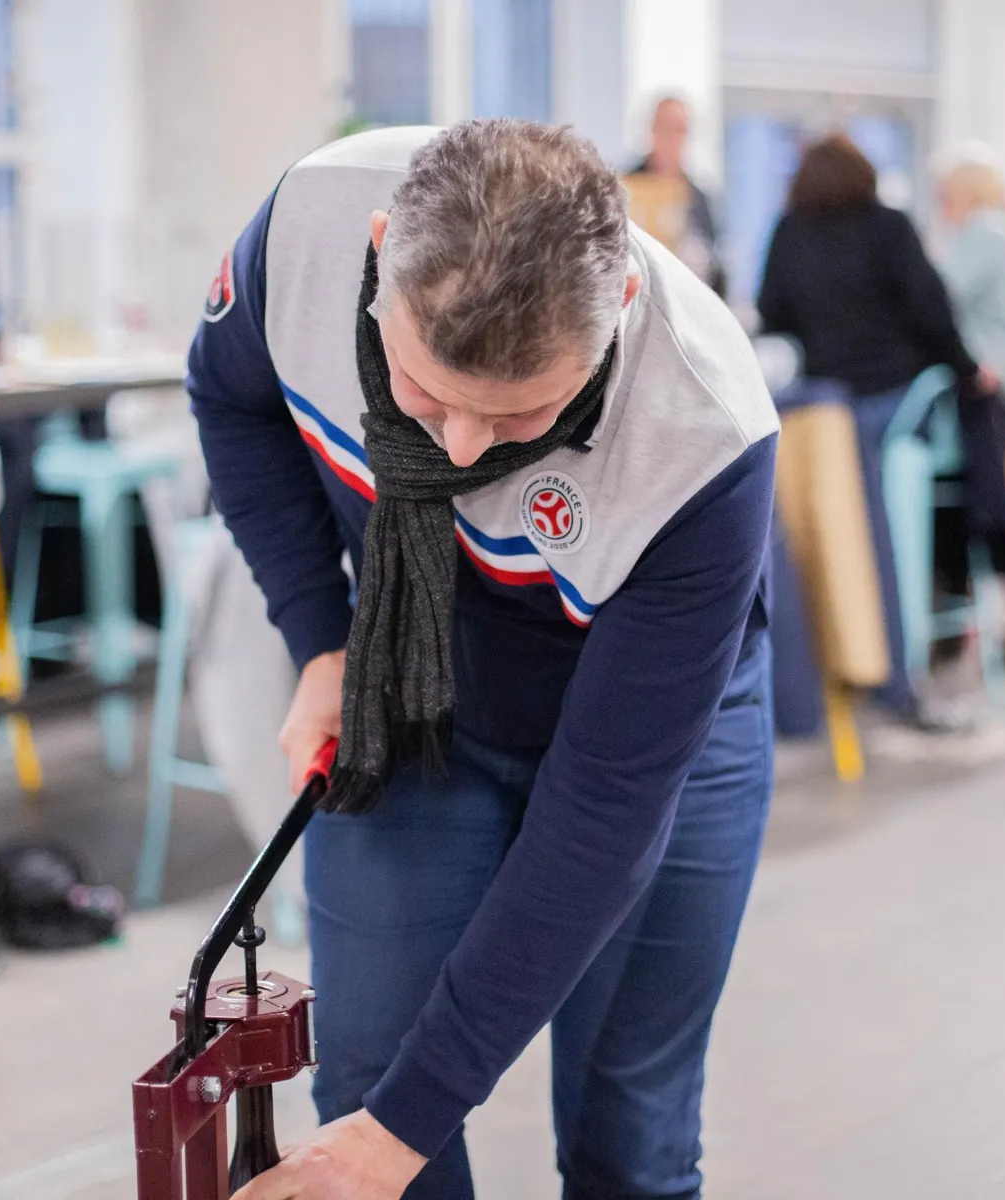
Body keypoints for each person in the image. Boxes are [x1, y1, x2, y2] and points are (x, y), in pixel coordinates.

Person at [190, 120, 777, 1199]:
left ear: (621, 309)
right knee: (367, 1089)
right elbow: (231, 400)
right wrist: (321, 642)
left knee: (629, 1138)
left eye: (521, 415)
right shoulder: (310, 227)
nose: (459, 450)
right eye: (424, 392)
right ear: (380, 253)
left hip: (652, 732)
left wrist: (403, 1130)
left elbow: (600, 815)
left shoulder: (705, 431)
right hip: (413, 675)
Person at [756, 132, 992, 727]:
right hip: (892, 405)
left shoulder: (789, 232)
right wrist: (968, 371)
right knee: (896, 516)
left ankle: (829, 665)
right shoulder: (888, 226)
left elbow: (772, 313)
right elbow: (933, 312)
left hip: (822, 416)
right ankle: (900, 671)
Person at [933, 154, 1005, 668]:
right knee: (962, 507)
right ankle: (959, 628)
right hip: (990, 390)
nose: (941, 206)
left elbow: (940, 293)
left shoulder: (987, 232)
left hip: (987, 390)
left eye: (944, 195)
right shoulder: (995, 234)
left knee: (992, 509)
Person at [627, 95, 727, 295]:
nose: (672, 139)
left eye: (680, 130)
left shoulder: (698, 200)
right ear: (653, 130)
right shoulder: (625, 190)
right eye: (665, 128)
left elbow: (713, 264)